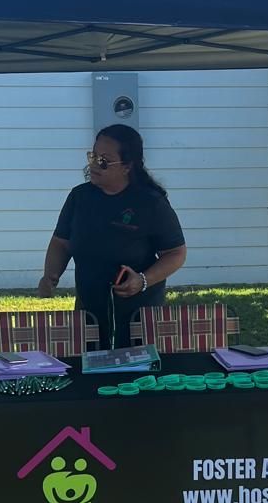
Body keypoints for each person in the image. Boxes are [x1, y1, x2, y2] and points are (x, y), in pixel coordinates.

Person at [37, 124, 187, 348]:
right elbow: (61, 242)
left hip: (138, 312)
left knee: (134, 376)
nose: (95, 165)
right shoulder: (80, 197)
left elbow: (176, 253)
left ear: (127, 166)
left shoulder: (150, 202)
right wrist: (50, 274)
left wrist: (143, 280)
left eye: (104, 160)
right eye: (93, 156)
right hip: (90, 308)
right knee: (89, 370)